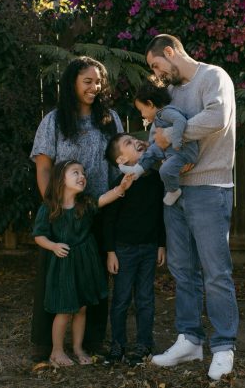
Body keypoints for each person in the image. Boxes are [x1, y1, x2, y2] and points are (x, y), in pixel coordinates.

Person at [145, 34, 238, 381]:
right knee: (182, 271)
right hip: (176, 192)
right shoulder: (170, 93)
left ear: (170, 53)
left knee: (216, 272)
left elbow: (218, 117)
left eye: (156, 64)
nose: (156, 73)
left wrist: (173, 137)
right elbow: (158, 127)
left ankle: (224, 346)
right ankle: (189, 340)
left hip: (210, 188)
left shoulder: (213, 77)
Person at [30, 56, 124, 360]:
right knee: (56, 278)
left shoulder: (109, 119)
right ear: (72, 83)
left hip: (99, 209)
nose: (94, 87)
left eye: (98, 82)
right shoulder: (54, 121)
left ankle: (90, 343)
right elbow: (44, 167)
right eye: (87, 81)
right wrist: (55, 207)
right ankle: (47, 345)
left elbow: (119, 163)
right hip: (63, 214)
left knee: (92, 280)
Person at [32, 160, 133, 367]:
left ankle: (78, 348)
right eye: (75, 172)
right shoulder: (49, 207)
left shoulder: (85, 204)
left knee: (81, 308)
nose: (82, 176)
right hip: (64, 264)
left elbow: (105, 198)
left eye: (83, 172)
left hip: (85, 263)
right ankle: (56, 351)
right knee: (64, 309)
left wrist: (121, 188)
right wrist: (52, 246)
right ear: (61, 179)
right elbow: (39, 235)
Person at [102, 133, 167, 367]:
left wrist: (161, 244)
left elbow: (161, 215)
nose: (136, 142)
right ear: (121, 159)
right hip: (124, 251)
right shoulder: (119, 185)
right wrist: (110, 251)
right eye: (128, 143)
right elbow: (108, 220)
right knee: (120, 299)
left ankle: (144, 344)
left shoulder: (156, 179)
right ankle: (118, 344)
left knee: (145, 298)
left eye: (134, 139)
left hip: (149, 248)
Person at [118, 81, 199, 206]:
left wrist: (176, 140)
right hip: (171, 150)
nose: (142, 115)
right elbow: (155, 140)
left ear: (150, 104)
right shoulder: (158, 118)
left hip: (182, 151)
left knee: (164, 170)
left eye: (141, 110)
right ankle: (137, 170)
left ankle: (173, 190)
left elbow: (180, 120)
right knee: (150, 152)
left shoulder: (166, 112)